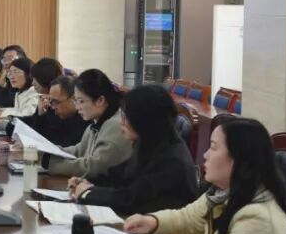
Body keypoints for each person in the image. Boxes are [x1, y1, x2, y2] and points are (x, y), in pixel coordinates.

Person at [123, 118, 286, 234]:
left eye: (213, 147)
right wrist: (152, 222)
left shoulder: (259, 219)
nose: (205, 154)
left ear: (239, 158)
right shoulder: (223, 194)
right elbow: (188, 220)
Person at [70, 84, 198, 215]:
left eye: (126, 117)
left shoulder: (172, 161)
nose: (121, 122)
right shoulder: (150, 141)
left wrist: (88, 193)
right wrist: (89, 182)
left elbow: (131, 199)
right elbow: (120, 175)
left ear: (144, 120)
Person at [44, 69, 131, 180]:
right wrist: (47, 151)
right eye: (76, 101)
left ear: (100, 100)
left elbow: (94, 167)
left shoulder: (116, 125)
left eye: (81, 101)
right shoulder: (95, 123)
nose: (77, 107)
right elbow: (78, 150)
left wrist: (50, 164)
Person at [19, 58, 66, 140]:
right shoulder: (44, 100)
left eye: (35, 79)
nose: (33, 83)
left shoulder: (59, 106)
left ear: (45, 78)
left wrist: (41, 116)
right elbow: (30, 122)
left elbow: (43, 137)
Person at [0, 57, 39, 124]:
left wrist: (4, 114)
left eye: (16, 72)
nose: (12, 77)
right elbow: (18, 111)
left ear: (29, 74)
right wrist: (0, 110)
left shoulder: (34, 93)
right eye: (10, 73)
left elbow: (26, 116)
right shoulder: (20, 92)